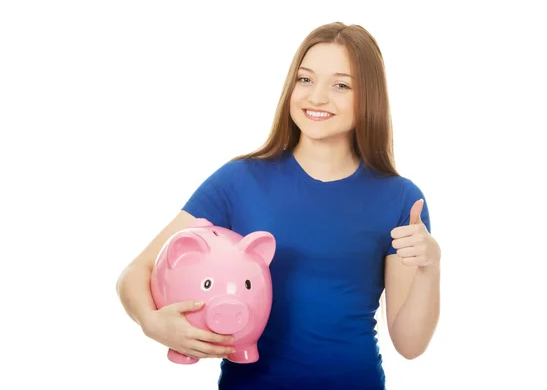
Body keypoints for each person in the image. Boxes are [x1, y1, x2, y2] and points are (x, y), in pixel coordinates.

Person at [116, 21, 441, 390]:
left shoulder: (400, 200)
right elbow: (136, 272)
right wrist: (152, 322)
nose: (316, 97)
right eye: (305, 80)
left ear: (369, 97)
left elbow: (410, 345)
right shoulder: (239, 181)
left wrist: (430, 267)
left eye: (341, 85)